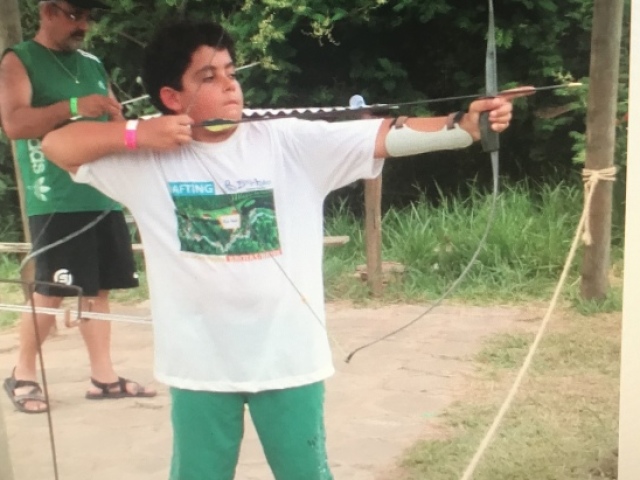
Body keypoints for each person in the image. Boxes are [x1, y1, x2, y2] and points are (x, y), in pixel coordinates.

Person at [42, 19, 523, 480]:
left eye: (231, 73)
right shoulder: (146, 159)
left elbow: (383, 135)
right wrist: (136, 133)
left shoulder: (288, 141)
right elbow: (57, 146)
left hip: (288, 359)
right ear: (172, 97)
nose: (230, 86)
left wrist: (463, 125)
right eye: (208, 77)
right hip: (200, 365)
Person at [0, 0, 156, 414]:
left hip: (102, 191)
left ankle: (103, 377)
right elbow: (14, 123)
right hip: (56, 197)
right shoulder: (20, 59)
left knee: (99, 288)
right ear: (48, 11)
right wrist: (73, 107)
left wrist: (115, 118)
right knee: (52, 290)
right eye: (74, 16)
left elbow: (109, 122)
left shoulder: (92, 62)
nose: (83, 25)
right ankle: (23, 373)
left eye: (88, 17)